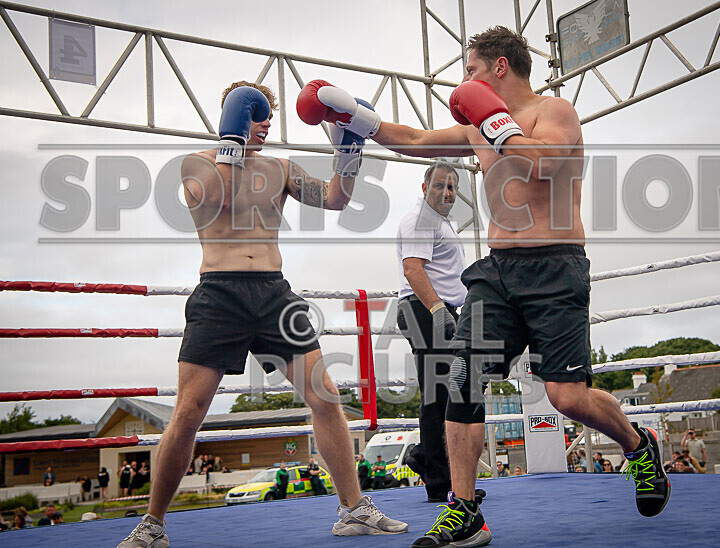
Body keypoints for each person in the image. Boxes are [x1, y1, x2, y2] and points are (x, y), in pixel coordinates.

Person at [298, 26, 670, 547]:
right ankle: (465, 509)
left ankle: (637, 444)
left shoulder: (553, 112)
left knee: (567, 397)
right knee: (461, 377)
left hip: (556, 267)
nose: (464, 81)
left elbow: (545, 163)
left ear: (498, 67)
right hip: (497, 272)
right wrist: (356, 118)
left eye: (470, 70)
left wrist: (497, 126)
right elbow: (415, 140)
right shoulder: (478, 127)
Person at [118, 81, 407, 547]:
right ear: (235, 116)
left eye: (269, 114)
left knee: (326, 396)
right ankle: (152, 524)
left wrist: (350, 150)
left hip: (273, 292)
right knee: (189, 411)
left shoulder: (282, 169)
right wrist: (231, 140)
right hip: (220, 295)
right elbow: (222, 200)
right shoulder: (196, 166)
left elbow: (335, 199)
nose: (266, 122)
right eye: (256, 113)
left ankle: (354, 509)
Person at [396, 162, 467, 503]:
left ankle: (428, 460)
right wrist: (438, 310)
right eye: (440, 185)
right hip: (425, 308)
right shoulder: (421, 220)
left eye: (452, 187)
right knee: (439, 395)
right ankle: (440, 483)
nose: (446, 192)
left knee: (447, 392)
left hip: (438, 309)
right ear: (425, 188)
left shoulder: (441, 223)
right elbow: (413, 269)